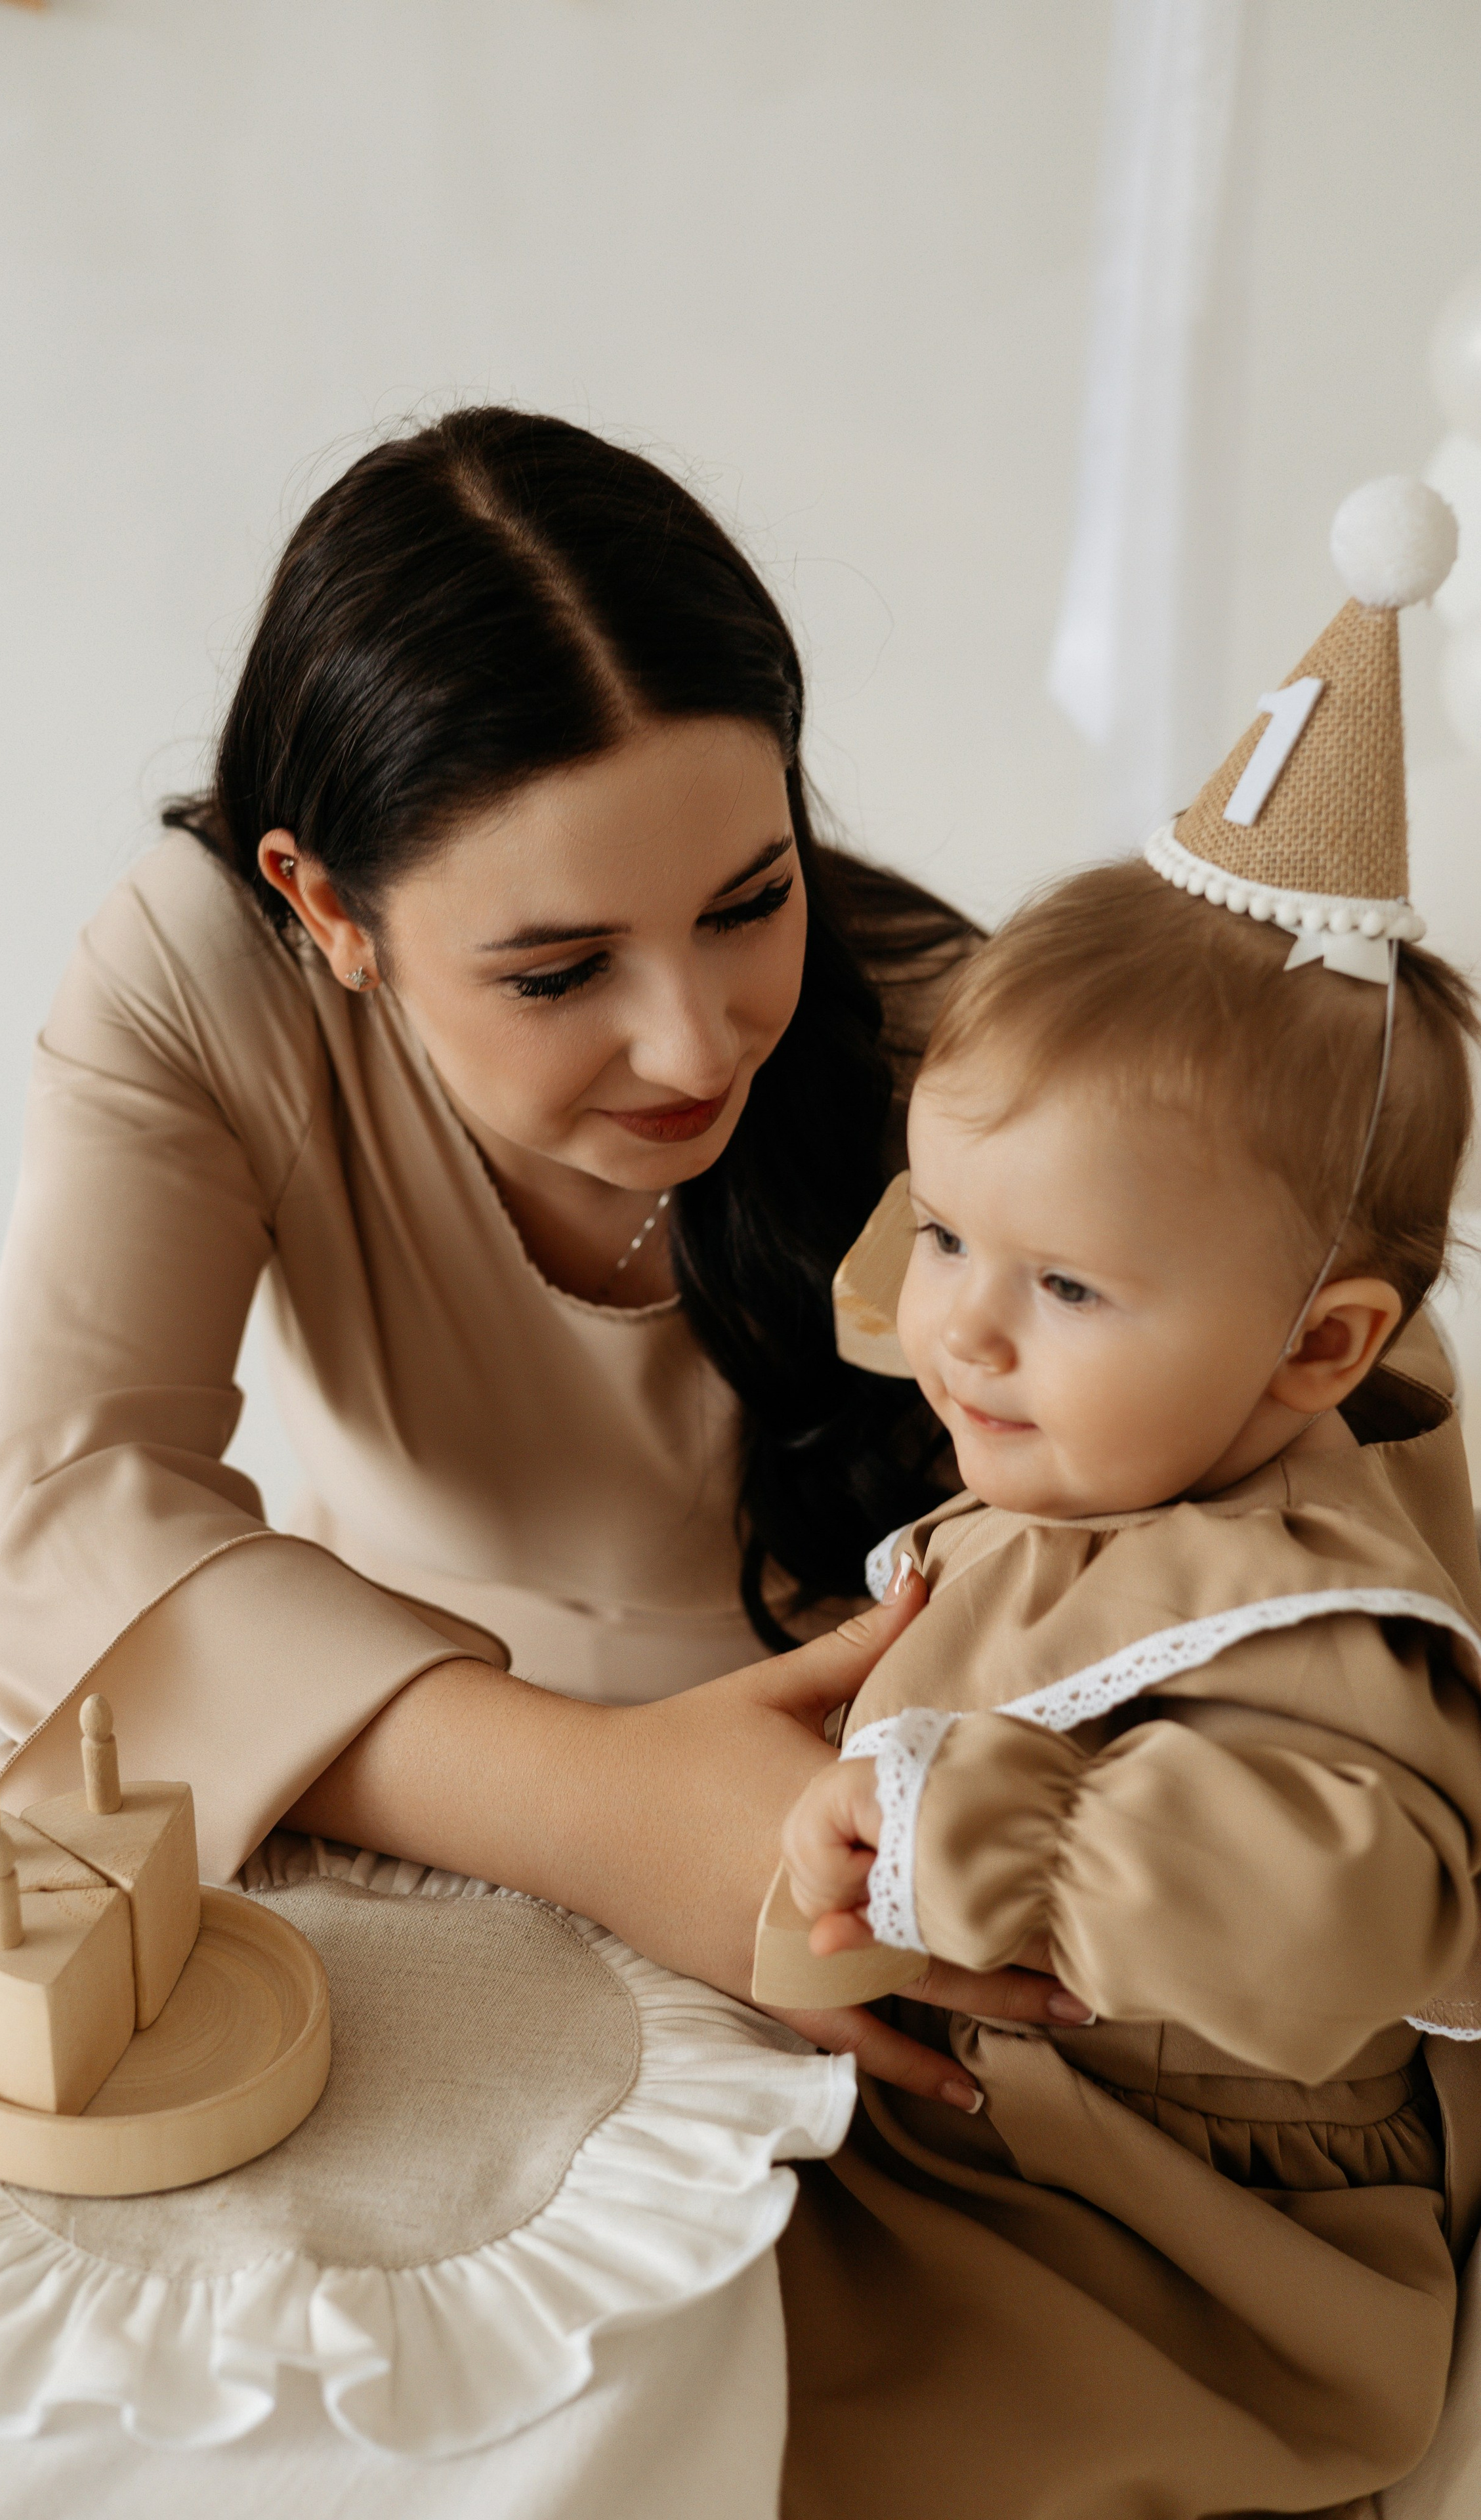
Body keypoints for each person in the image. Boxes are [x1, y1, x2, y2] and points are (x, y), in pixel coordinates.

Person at [0, 407, 1080, 2139]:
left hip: (865, 1860)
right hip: (429, 1836)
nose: (697, 1042)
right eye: (560, 973)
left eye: (749, 899)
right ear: (327, 910)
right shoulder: (206, 980)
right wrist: (606, 1813)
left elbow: (1296, 1499)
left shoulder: (963, 1039)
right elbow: (56, 1534)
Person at [762, 481, 1481, 2518]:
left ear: (1319, 1352)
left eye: (1066, 1287)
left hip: (1191, 2243)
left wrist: (962, 1819)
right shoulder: (1079, 1482)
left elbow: (1339, 1904)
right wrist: (835, 1849)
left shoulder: (1318, 1601)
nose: (966, 1330)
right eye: (956, 1236)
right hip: (991, 2126)